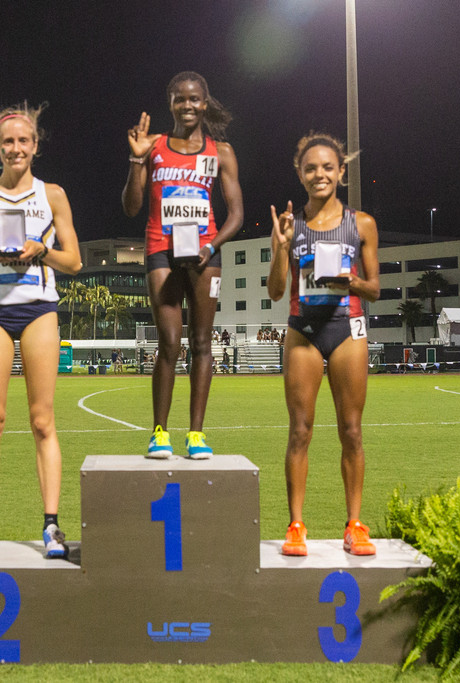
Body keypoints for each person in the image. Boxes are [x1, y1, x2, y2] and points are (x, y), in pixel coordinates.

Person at [0, 102, 82, 560]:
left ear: (35, 145)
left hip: (39, 310)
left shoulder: (53, 195)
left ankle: (51, 527)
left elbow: (75, 261)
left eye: (23, 140)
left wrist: (40, 250)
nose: (15, 148)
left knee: (43, 421)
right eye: (7, 141)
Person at [267, 132, 380, 557]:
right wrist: (280, 248)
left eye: (327, 167)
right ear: (300, 173)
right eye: (311, 168)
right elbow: (276, 292)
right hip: (303, 333)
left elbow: (374, 289)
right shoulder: (289, 226)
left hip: (347, 328)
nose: (320, 175)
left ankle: (354, 524)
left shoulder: (362, 223)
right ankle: (296, 526)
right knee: (300, 431)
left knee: (351, 431)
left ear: (341, 172)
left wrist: (350, 281)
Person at [122, 71, 244, 459]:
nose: (187, 106)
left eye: (194, 99)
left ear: (204, 104)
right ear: (170, 103)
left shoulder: (220, 152)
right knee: (170, 343)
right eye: (180, 99)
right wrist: (136, 160)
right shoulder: (154, 145)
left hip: (206, 253)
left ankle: (196, 434)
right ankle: (159, 432)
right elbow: (132, 206)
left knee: (203, 342)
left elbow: (237, 214)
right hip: (161, 247)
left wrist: (213, 245)